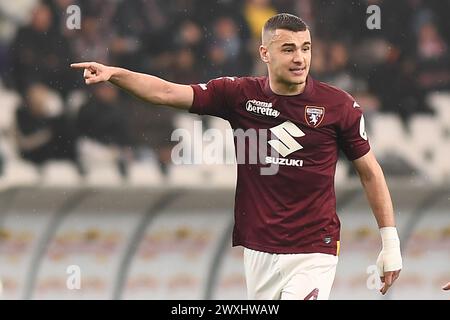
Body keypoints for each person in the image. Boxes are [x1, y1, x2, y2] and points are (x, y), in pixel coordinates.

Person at [71, 13, 402, 300]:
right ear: (265, 53)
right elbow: (167, 92)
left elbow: (370, 172)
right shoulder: (239, 94)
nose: (300, 58)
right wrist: (116, 74)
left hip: (315, 249)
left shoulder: (338, 106)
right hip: (258, 249)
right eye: (288, 49)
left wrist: (390, 243)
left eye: (306, 48)